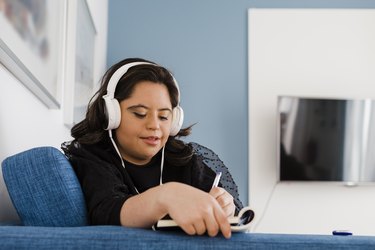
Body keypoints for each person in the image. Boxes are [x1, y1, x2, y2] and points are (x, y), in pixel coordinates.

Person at [62, 58, 243, 239]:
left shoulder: (186, 160)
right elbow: (106, 212)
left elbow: (234, 216)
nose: (154, 125)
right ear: (111, 114)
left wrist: (226, 207)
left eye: (164, 117)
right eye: (140, 114)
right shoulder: (92, 158)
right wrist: (165, 196)